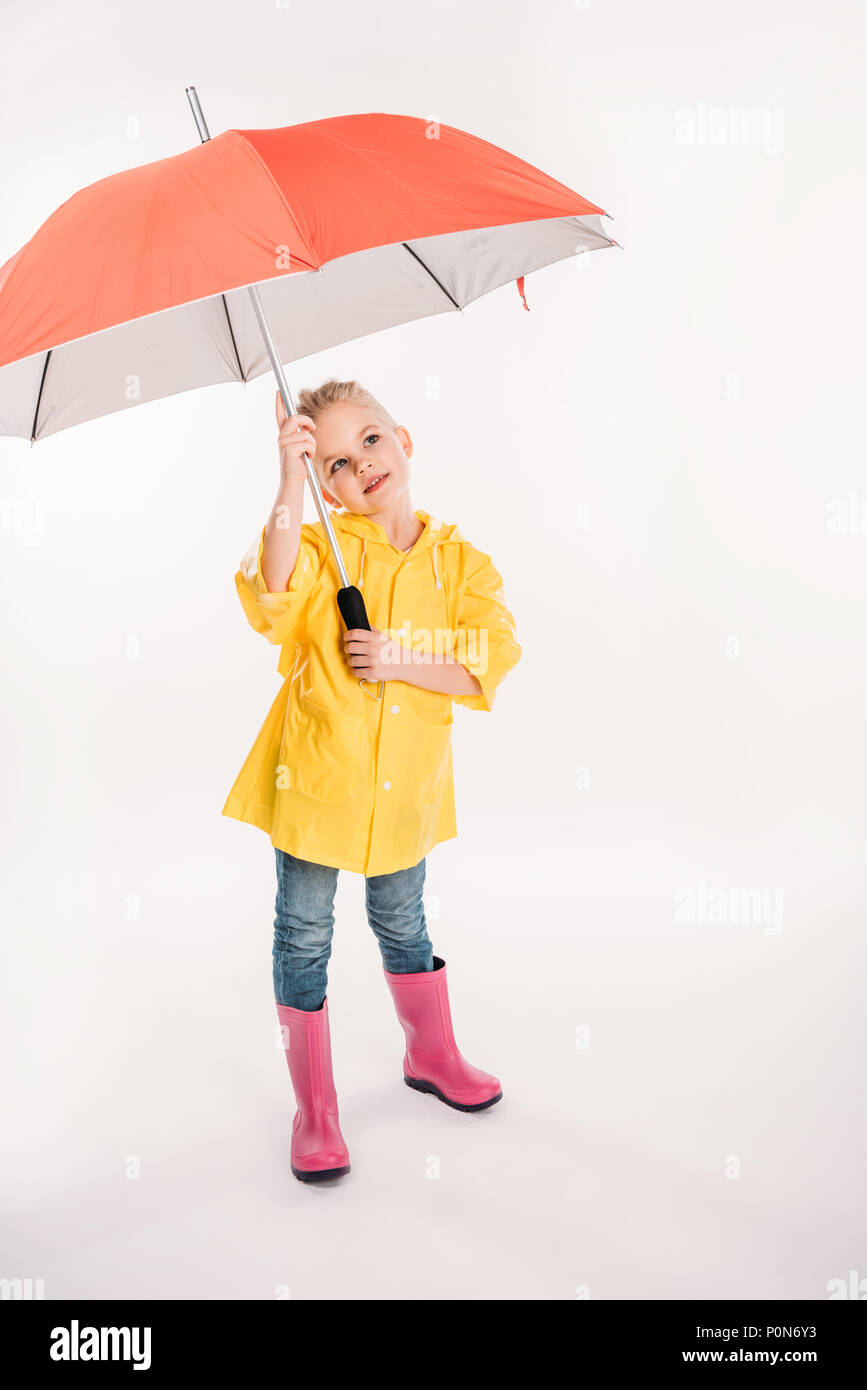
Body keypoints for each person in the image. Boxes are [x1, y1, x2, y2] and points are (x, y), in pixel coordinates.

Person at [222, 379, 522, 1182]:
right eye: (335, 464)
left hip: (404, 792)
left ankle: (431, 1055)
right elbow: (270, 591)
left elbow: (488, 657)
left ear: (405, 440)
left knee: (403, 920)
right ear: (325, 486)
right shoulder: (320, 540)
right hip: (317, 781)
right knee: (304, 933)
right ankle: (314, 1109)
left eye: (370, 442)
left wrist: (400, 660)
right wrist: (288, 484)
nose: (360, 466)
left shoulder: (460, 562)